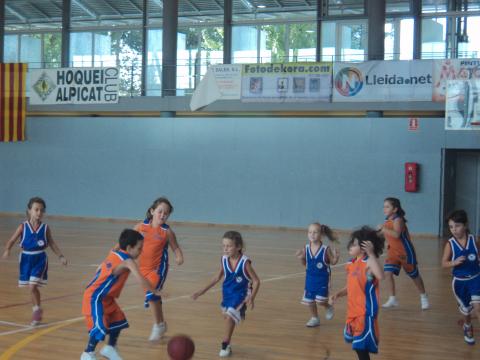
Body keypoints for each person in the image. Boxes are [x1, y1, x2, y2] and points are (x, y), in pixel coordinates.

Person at [81, 229, 161, 360]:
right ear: (129, 248)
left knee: (117, 320)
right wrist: (155, 291)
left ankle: (109, 348)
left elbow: (115, 248)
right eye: (139, 248)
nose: (141, 251)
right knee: (100, 327)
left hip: (107, 298)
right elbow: (140, 278)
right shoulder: (128, 262)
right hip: (94, 297)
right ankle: (87, 353)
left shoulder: (114, 252)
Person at [192, 230, 260, 357]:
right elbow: (216, 277)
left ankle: (224, 344)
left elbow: (256, 281)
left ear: (238, 247)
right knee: (229, 318)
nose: (225, 249)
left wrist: (252, 297)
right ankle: (228, 344)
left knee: (229, 317)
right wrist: (201, 291)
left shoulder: (245, 263)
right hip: (227, 294)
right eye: (223, 246)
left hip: (241, 294)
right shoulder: (224, 260)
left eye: (229, 246)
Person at [2, 197, 67, 326]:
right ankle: (37, 309)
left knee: (32, 286)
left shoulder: (45, 228)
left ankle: (36, 313)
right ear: (29, 211)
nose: (39, 213)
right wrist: (7, 250)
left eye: (42, 210)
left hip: (40, 259)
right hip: (26, 259)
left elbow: (52, 243)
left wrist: (61, 256)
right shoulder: (22, 226)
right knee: (32, 288)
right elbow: (12, 240)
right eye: (36, 209)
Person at [330, 226, 384, 360]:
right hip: (352, 312)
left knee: (360, 347)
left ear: (364, 247)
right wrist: (338, 294)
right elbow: (351, 287)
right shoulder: (350, 264)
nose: (350, 246)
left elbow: (381, 276)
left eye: (354, 244)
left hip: (365, 313)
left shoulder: (369, 262)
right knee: (357, 346)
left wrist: (371, 254)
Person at [135, 197, 184, 341]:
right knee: (154, 298)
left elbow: (175, 247)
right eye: (160, 212)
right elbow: (125, 242)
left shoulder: (167, 231)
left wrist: (179, 256)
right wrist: (112, 257)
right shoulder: (140, 227)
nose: (162, 215)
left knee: (151, 295)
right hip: (142, 269)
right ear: (152, 211)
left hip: (158, 269)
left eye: (166, 213)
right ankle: (161, 324)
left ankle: (157, 326)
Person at [378, 197, 429, 310]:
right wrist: (385, 241)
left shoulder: (398, 219)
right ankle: (392, 298)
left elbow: (396, 234)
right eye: (384, 206)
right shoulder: (387, 220)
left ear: (395, 209)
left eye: (387, 206)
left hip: (405, 252)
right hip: (392, 252)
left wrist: (383, 229)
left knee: (414, 276)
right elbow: (388, 236)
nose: (384, 208)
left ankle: (423, 296)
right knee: (388, 273)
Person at [441, 210, 480, 345]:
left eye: (457, 226)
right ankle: (467, 326)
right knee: (466, 312)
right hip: (460, 282)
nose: (454, 230)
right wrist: (454, 262)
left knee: (478, 307)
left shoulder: (474, 240)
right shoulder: (450, 244)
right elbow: (443, 263)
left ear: (465, 225)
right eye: (451, 227)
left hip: (476, 278)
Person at [296, 222, 339, 327]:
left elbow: (332, 262)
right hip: (310, 279)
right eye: (310, 232)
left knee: (320, 301)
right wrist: (301, 258)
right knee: (310, 301)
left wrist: (336, 257)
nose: (312, 234)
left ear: (321, 235)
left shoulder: (325, 249)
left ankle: (328, 306)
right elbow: (305, 264)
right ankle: (315, 318)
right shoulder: (305, 248)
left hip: (323, 279)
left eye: (315, 232)